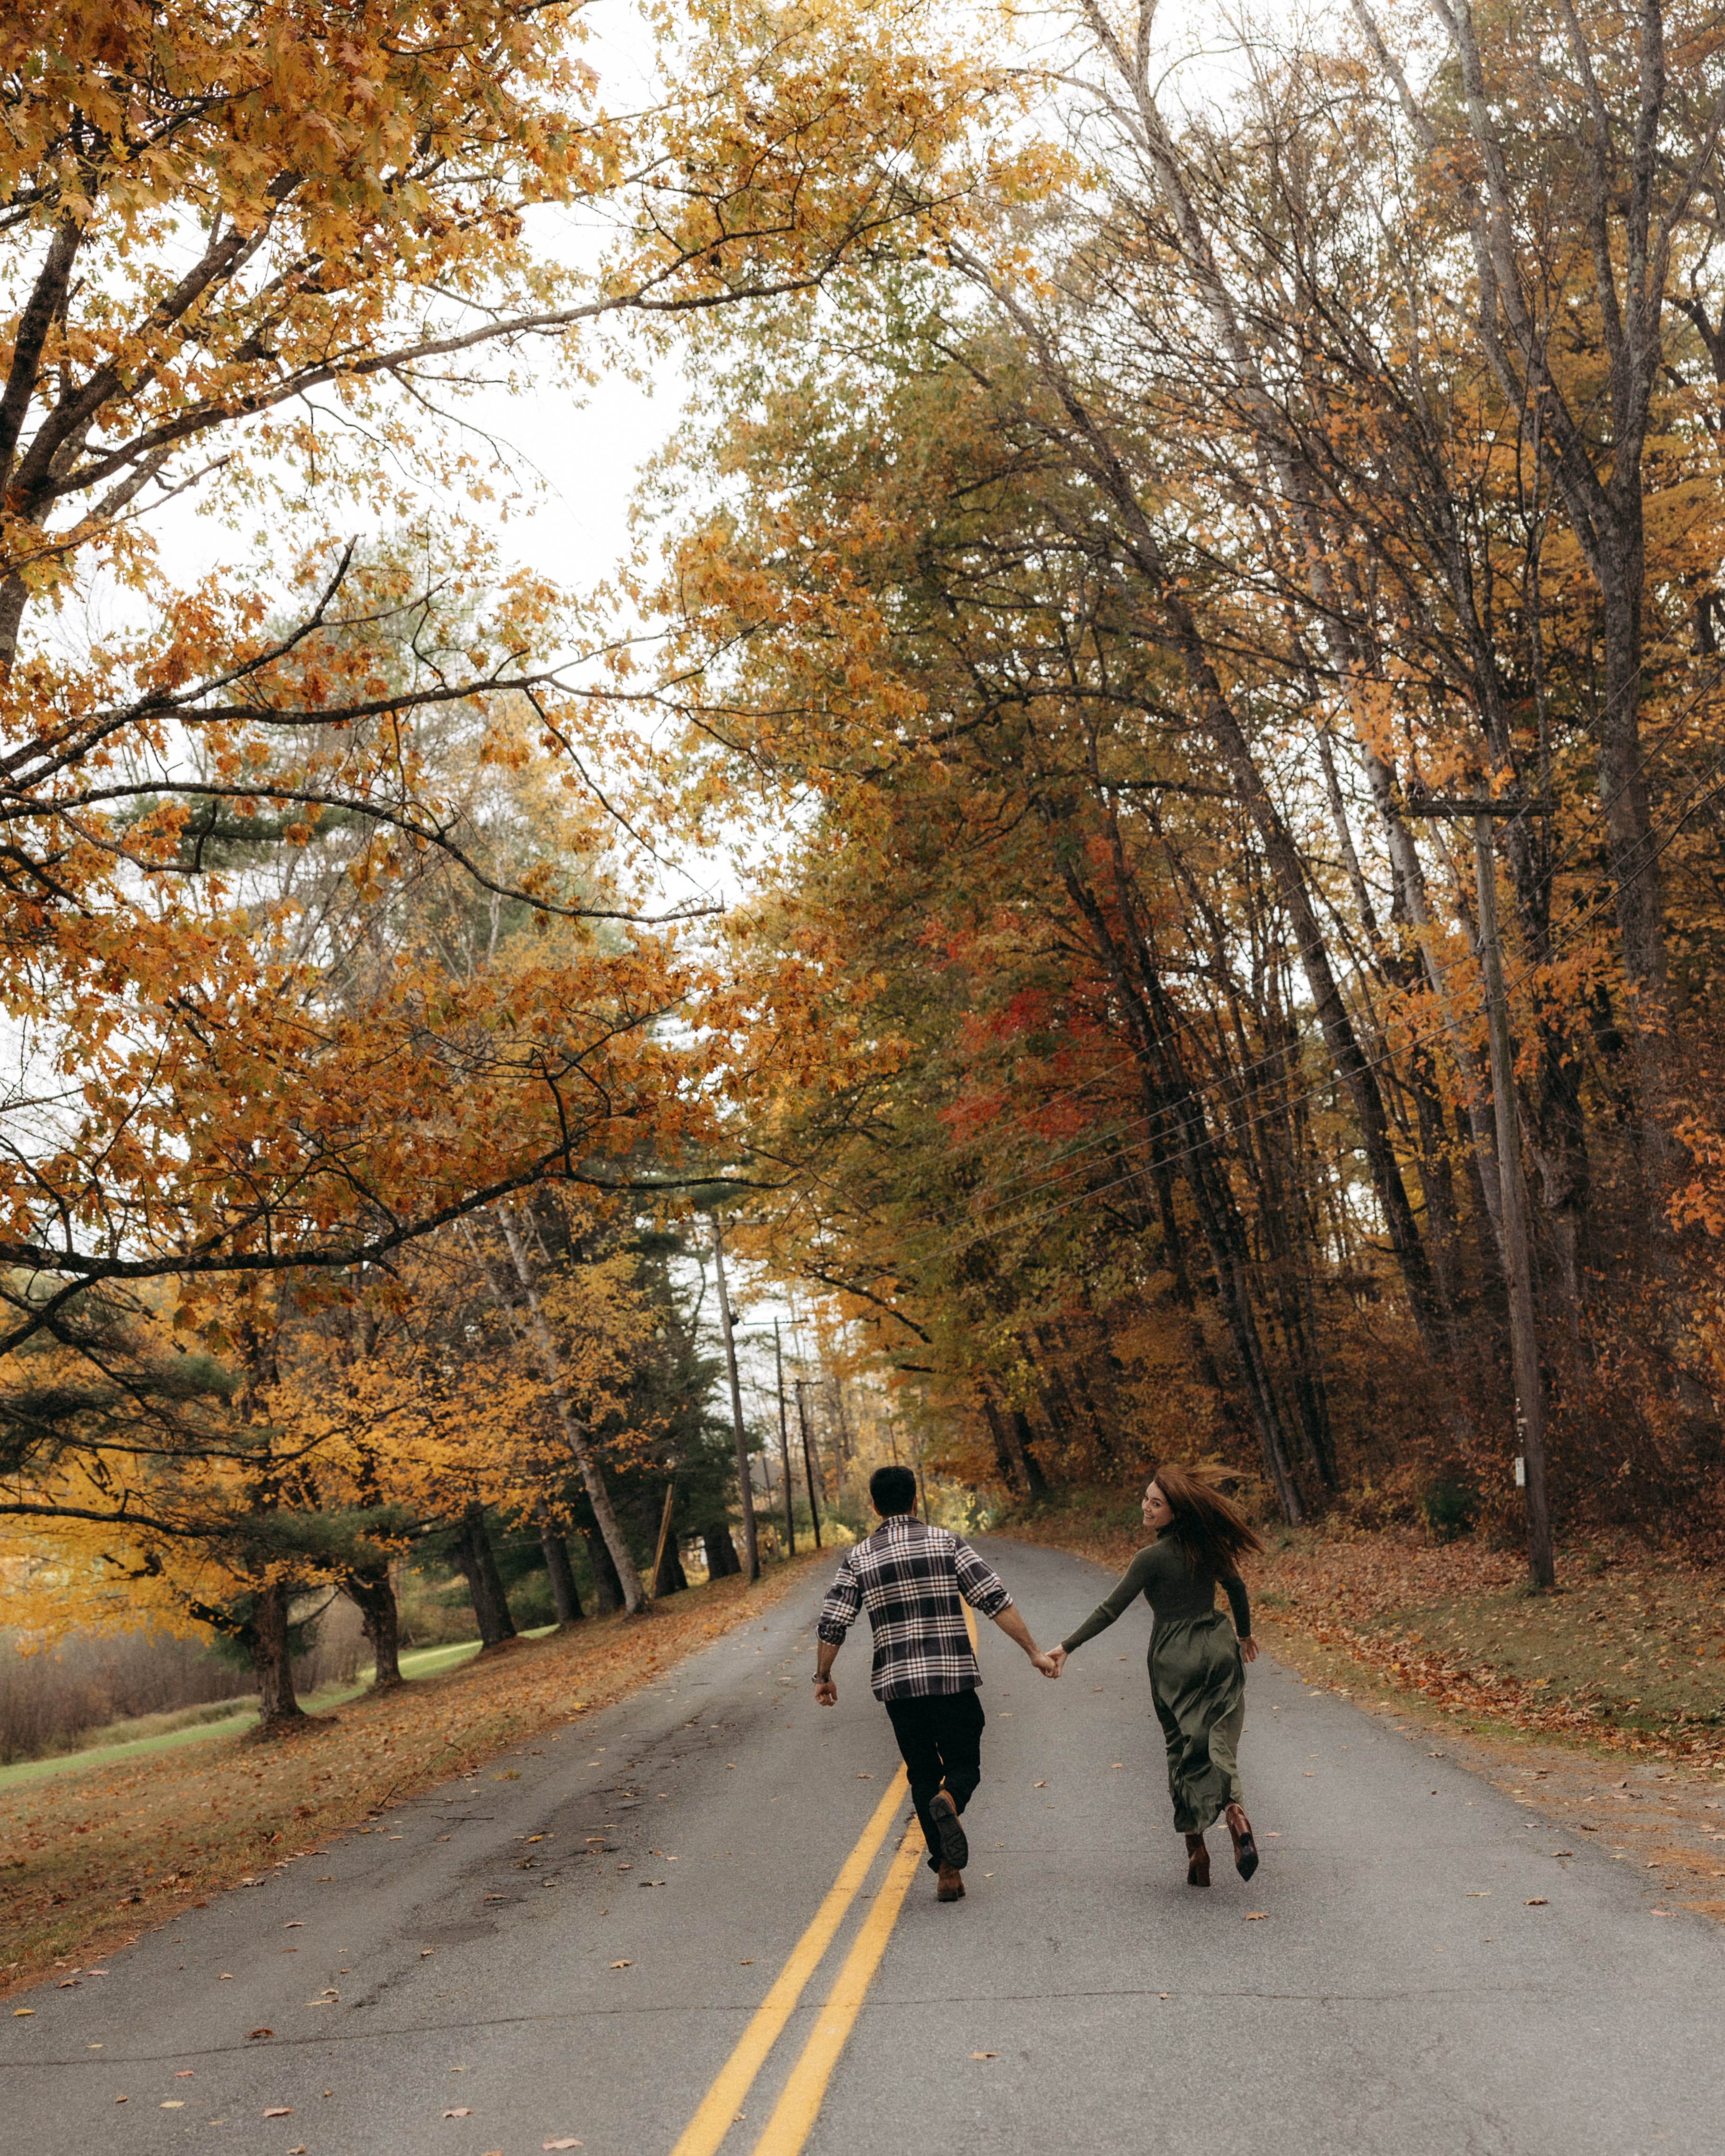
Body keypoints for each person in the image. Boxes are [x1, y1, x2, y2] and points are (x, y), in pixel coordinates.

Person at [812, 1464, 1056, 1901]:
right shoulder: (946, 1542)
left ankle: (947, 1872)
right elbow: (994, 1599)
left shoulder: (859, 1557)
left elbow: (834, 1623)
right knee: (964, 1766)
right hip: (952, 1680)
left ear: (874, 1506)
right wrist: (1033, 1652)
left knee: (922, 1772)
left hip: (899, 1689)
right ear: (915, 1500)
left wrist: (824, 1676)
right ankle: (953, 1799)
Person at [1046, 1463, 1265, 1887]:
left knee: (1179, 1749)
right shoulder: (1209, 1546)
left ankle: (1197, 1852)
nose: (1146, 1507)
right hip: (1218, 1646)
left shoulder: (1149, 1559)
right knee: (1218, 1739)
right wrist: (1244, 1635)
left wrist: (1067, 1646)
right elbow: (1236, 1588)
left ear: (1175, 1512)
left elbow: (1111, 1609)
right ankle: (1236, 1815)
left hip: (1173, 1658)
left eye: (1156, 1503)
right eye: (1147, 1498)